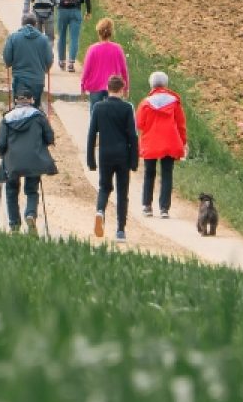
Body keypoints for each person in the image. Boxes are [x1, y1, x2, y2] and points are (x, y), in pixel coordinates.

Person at [86, 75, 140, 241]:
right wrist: (134, 160)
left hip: (105, 154)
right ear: (122, 90)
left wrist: (90, 159)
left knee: (104, 187)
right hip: (122, 154)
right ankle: (120, 231)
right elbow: (133, 136)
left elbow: (92, 134)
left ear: (107, 89)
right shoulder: (126, 108)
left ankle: (100, 211)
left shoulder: (98, 107)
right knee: (122, 193)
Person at [0, 91, 58, 233]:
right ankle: (30, 214)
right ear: (31, 99)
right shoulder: (39, 116)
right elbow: (49, 137)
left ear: (16, 101)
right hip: (34, 158)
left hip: (13, 160)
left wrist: (2, 156)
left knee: (11, 190)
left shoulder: (6, 118)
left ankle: (14, 224)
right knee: (31, 190)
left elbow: (1, 143)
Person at [136, 71, 187, 219]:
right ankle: (164, 209)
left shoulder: (145, 103)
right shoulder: (174, 102)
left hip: (150, 142)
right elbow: (181, 124)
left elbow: (139, 123)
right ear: (165, 84)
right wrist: (183, 142)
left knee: (149, 173)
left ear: (151, 84)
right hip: (169, 142)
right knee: (167, 174)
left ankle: (147, 206)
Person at [1, 13, 54, 108]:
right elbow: (49, 60)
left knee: (19, 109)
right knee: (35, 108)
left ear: (22, 23)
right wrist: (45, 70)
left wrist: (9, 63)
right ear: (35, 24)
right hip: (37, 81)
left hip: (20, 80)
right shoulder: (44, 39)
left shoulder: (13, 37)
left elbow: (7, 60)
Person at [79, 18, 129, 109]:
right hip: (113, 87)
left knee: (95, 114)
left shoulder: (92, 49)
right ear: (111, 32)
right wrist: (126, 87)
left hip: (95, 86)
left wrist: (82, 85)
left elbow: (86, 69)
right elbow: (124, 70)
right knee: (112, 115)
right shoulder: (118, 49)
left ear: (99, 32)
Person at [54, 0, 92, 72]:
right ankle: (71, 63)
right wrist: (89, 10)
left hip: (62, 10)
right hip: (76, 10)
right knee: (74, 38)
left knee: (61, 36)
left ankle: (61, 61)